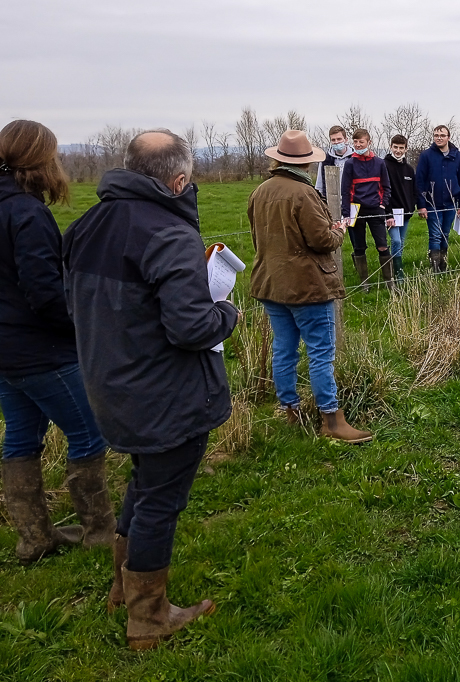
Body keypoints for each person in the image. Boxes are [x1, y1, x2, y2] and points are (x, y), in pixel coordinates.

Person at [64, 130, 238, 650]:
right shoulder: (167, 233)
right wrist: (225, 314)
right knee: (162, 499)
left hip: (109, 382)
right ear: (179, 180)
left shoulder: (86, 225)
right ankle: (149, 617)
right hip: (165, 391)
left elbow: (70, 306)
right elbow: (190, 327)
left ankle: (124, 586)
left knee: (144, 482)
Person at [0, 120, 116, 565]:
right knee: (88, 430)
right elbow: (44, 291)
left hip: (6, 350)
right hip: (40, 349)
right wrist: (80, 326)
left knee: (20, 437)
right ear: (39, 161)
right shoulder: (26, 213)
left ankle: (34, 537)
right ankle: (99, 530)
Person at [248, 130, 371, 444]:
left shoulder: (259, 191)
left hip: (271, 284)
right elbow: (322, 240)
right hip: (307, 286)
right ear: (305, 163)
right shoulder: (303, 194)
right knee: (320, 353)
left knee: (284, 349)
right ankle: (331, 418)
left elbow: (257, 239)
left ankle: (290, 409)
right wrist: (338, 230)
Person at [340, 128, 392, 291]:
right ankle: (364, 282)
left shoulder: (379, 162)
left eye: (361, 142)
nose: (358, 145)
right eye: (355, 142)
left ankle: (389, 281)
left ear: (369, 143)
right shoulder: (350, 164)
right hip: (356, 209)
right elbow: (345, 189)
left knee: (382, 245)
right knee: (359, 247)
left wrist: (383, 204)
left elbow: (386, 186)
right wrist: (346, 214)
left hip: (376, 208)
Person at [414, 125, 460, 272]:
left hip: (450, 203)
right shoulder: (426, 156)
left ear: (448, 137)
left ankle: (443, 265)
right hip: (432, 203)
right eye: (436, 135)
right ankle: (435, 268)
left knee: (445, 234)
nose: (439, 137)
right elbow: (419, 180)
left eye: (442, 135)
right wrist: (421, 205)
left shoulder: (457, 156)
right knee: (435, 236)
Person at [384, 134, 416, 283]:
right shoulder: (383, 165)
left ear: (406, 149)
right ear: (391, 147)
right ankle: (398, 273)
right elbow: (384, 191)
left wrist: (412, 206)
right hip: (390, 213)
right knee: (395, 241)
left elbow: (412, 190)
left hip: (406, 213)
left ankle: (396, 269)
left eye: (401, 148)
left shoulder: (409, 169)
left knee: (401, 242)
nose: (398, 150)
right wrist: (387, 213)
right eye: (395, 147)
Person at [314, 125, 353, 201]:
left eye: (339, 139)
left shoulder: (354, 158)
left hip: (352, 201)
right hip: (331, 202)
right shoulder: (325, 160)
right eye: (333, 140)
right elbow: (319, 185)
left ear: (345, 140)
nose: (336, 142)